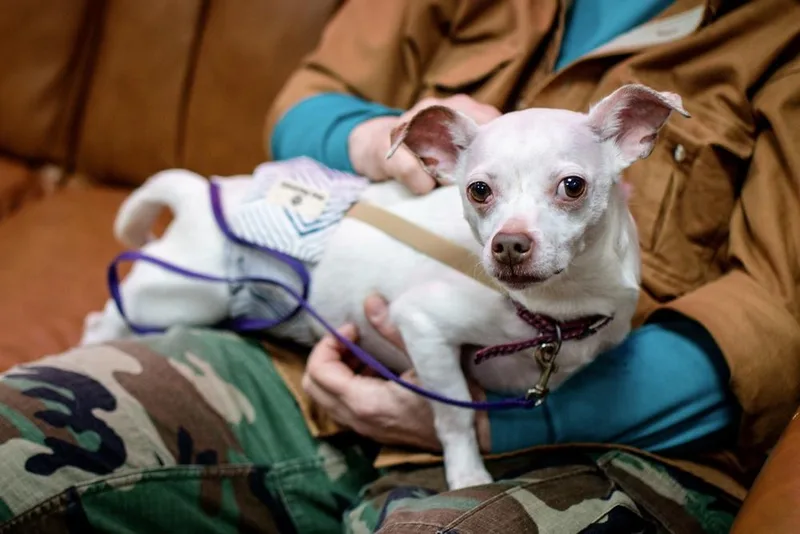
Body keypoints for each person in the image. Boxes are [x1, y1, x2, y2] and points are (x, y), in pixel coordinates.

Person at [0, 0, 797, 532]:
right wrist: (379, 139)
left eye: (566, 188)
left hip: (602, 432)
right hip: (304, 351)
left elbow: (778, 316)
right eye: (483, 192)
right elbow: (304, 103)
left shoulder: (777, 35)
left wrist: (501, 422)